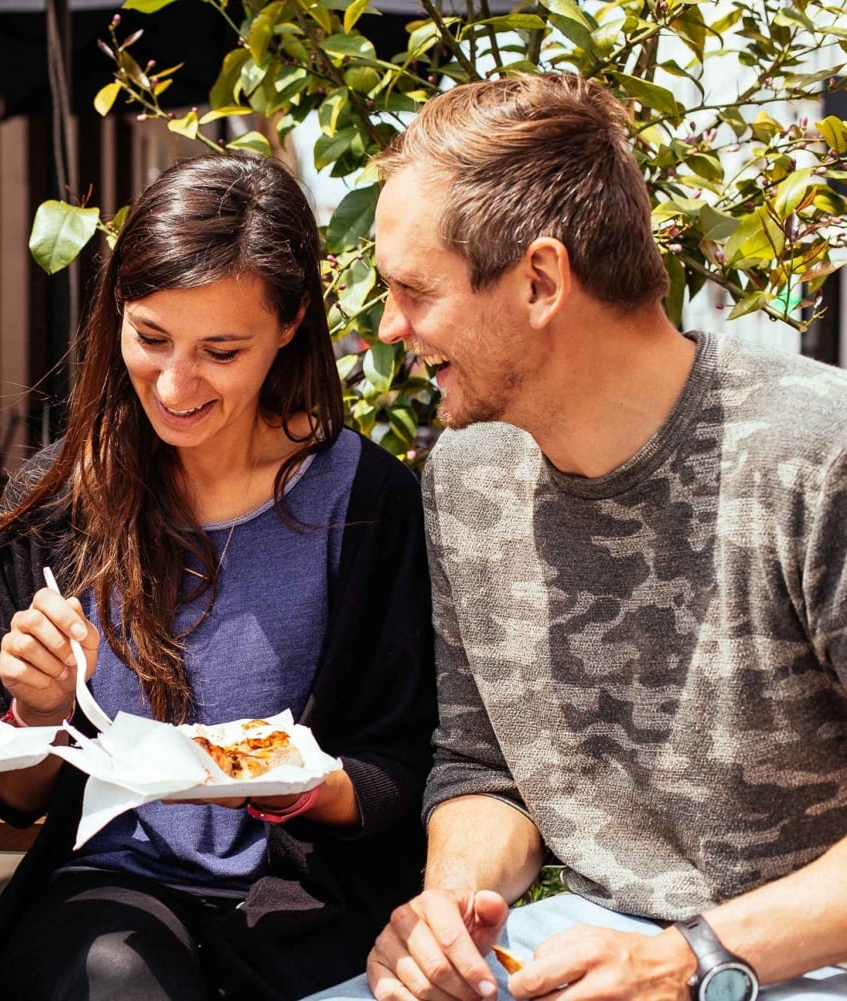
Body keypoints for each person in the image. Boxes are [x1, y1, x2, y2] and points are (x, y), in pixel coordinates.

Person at [312, 74, 847, 1001]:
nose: (390, 327)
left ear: (540, 279)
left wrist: (692, 959)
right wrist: (451, 905)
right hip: (582, 950)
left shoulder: (816, 455)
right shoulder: (468, 475)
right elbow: (484, 766)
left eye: (413, 291)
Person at [0, 152, 438, 1001]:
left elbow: (402, 765)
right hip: (107, 891)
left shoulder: (370, 503)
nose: (176, 385)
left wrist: (309, 787)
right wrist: (38, 711)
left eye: (220, 349)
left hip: (313, 896)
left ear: (290, 323)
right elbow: (16, 797)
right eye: (150, 338)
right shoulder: (54, 506)